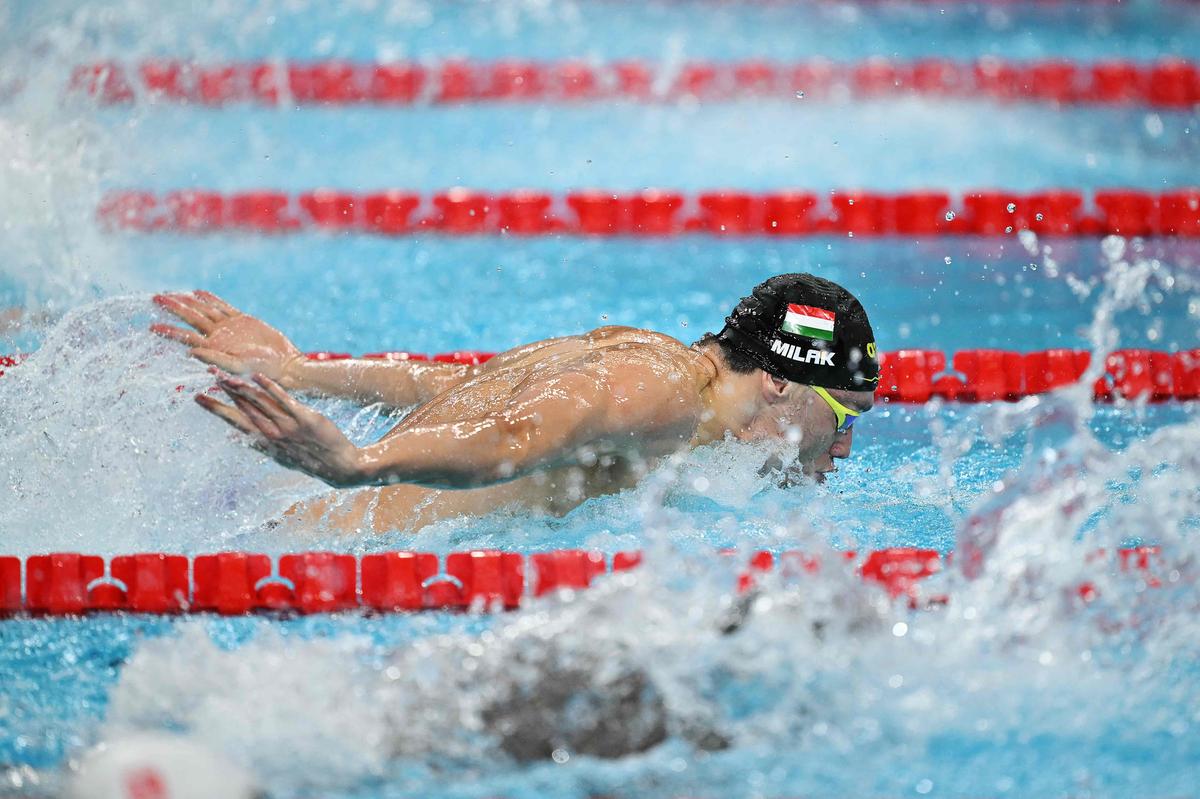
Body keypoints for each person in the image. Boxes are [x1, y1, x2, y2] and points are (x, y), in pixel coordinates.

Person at [151, 273, 879, 534]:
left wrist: (299, 370)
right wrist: (358, 462)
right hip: (330, 555)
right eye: (846, 414)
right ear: (781, 379)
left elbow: (443, 385)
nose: (844, 445)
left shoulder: (648, 358)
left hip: (292, 529)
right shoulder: (665, 393)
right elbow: (520, 430)